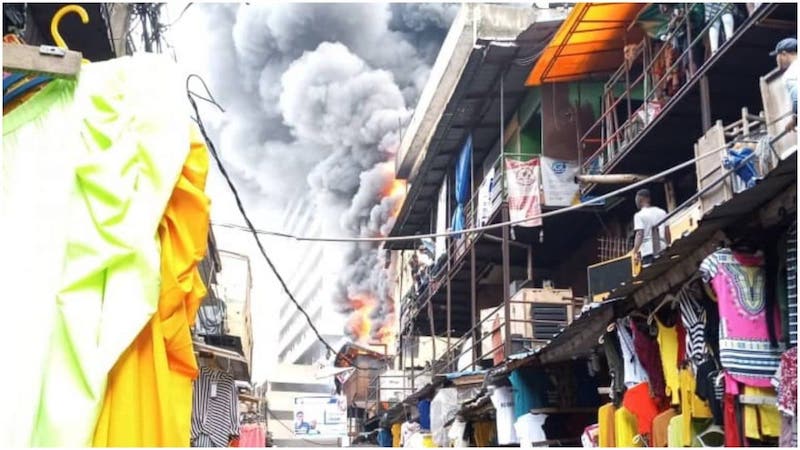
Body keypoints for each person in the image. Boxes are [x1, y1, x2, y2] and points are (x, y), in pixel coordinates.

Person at [632, 189, 668, 267]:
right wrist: (668, 245)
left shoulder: (639, 215)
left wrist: (635, 251)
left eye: (637, 199)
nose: (636, 202)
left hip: (648, 250)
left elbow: (639, 234)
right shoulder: (662, 212)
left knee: (651, 271)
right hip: (662, 248)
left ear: (641, 199)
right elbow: (667, 232)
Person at [770, 37, 798, 133]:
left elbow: (797, 97)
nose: (776, 60)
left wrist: (795, 119)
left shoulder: (791, 73)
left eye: (777, 56)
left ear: (784, 54)